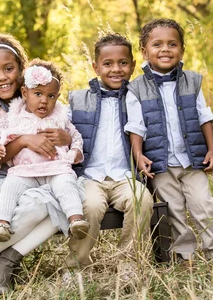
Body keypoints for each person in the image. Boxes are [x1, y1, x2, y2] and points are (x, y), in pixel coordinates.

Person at [0, 33, 70, 298]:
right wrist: (25, 141)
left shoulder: (37, 94)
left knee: (52, 206)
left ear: (21, 68)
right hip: (2, 179)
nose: (3, 77)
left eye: (9, 69)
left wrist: (65, 138)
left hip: (41, 176)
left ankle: (1, 265)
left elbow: (64, 127)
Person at [125, 18, 213, 262]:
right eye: (157, 44)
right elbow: (136, 127)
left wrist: (212, 149)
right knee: (174, 210)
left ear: (182, 50)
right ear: (144, 51)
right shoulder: (136, 88)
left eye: (172, 44)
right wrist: (138, 155)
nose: (165, 50)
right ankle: (184, 254)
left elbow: (205, 116)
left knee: (203, 205)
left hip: (192, 159)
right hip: (161, 164)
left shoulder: (192, 81)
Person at [66, 33, 154, 270]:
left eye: (123, 63)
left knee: (142, 200)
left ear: (133, 65)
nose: (116, 69)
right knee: (91, 207)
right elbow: (55, 124)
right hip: (90, 177)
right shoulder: (76, 100)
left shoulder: (139, 100)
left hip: (125, 176)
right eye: (108, 64)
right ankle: (76, 265)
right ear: (96, 67)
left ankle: (129, 263)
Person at [0, 59, 90, 242]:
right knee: (10, 187)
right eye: (38, 94)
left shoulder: (60, 117)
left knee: (66, 184)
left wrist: (74, 151)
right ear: (25, 93)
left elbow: (76, 136)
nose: (44, 101)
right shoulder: (14, 116)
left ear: (57, 97)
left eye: (51, 96)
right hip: (24, 171)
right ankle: (2, 223)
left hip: (56, 168)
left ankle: (76, 220)